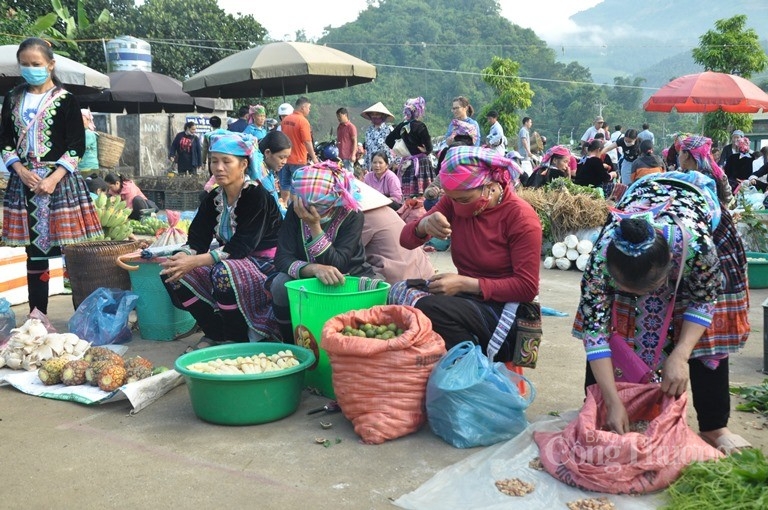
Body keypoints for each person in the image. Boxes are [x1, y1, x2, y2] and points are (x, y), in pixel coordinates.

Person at [573, 170, 751, 454]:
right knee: (617, 320)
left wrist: (681, 354)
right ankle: (602, 406)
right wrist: (613, 400)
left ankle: (714, 425)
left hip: (698, 214)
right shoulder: (600, 259)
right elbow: (595, 332)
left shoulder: (698, 246)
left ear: (671, 261)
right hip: (643, 201)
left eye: (651, 287)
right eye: (627, 288)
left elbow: (704, 300)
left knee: (708, 333)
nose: (643, 296)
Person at [388, 146, 541, 360]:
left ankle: (472, 365)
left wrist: (464, 284)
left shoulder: (521, 218)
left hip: (508, 309)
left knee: (428, 308)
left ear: (490, 187)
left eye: (464, 200)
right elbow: (405, 240)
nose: (457, 208)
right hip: (470, 299)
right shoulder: (454, 201)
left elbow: (526, 287)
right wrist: (423, 225)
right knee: (399, 291)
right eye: (452, 199)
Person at [0, 37, 103, 314]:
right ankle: (38, 316)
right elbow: (5, 141)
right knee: (34, 256)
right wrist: (20, 170)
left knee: (73, 252)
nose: (30, 68)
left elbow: (76, 145)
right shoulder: (13, 98)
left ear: (50, 64)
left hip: (61, 184)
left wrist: (53, 178)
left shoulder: (67, 100)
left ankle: (83, 316)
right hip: (24, 185)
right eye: (25, 64)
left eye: (36, 64)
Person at [161, 132, 284, 350]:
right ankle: (214, 331)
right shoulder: (213, 198)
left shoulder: (257, 196)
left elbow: (242, 246)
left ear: (243, 164)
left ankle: (236, 338)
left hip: (266, 266)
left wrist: (195, 261)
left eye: (226, 162)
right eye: (214, 161)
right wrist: (183, 256)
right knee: (172, 270)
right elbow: (198, 238)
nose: (218, 168)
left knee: (222, 272)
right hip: (231, 260)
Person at [271, 162, 374, 342]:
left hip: (348, 275)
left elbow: (338, 263)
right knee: (279, 284)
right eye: (305, 202)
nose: (309, 208)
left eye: (317, 205)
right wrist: (313, 269)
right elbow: (281, 258)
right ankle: (290, 342)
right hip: (308, 277)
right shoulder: (296, 211)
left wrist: (314, 226)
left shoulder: (352, 215)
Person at [356, 180, 434, 283]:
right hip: (422, 270)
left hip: (401, 278)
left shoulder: (363, 218)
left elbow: (347, 252)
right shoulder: (386, 210)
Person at [385, 96, 434, 197]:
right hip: (421, 163)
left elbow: (388, 140)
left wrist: (402, 150)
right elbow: (429, 148)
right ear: (418, 111)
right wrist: (424, 150)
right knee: (423, 194)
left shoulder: (401, 126)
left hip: (406, 163)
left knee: (407, 194)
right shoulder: (420, 126)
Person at [280, 96, 318, 202]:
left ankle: (284, 207)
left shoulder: (285, 120)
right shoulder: (303, 121)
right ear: (303, 107)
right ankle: (294, 209)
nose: (309, 110)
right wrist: (314, 157)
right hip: (299, 160)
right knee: (296, 188)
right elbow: (307, 141)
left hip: (285, 159)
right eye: (308, 108)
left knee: (284, 185)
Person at [678, 135, 732, 204]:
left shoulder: (698, 179)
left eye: (679, 153)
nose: (679, 157)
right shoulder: (716, 172)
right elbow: (728, 199)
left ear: (686, 155)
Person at [257, 130, 292, 216]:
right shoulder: (262, 178)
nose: (284, 162)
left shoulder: (268, 172)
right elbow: (274, 213)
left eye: (287, 157)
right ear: (267, 153)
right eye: (281, 157)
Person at [361, 101, 394, 171]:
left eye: (377, 114)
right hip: (371, 167)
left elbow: (396, 147)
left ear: (383, 116)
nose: (374, 116)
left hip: (385, 166)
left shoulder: (389, 130)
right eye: (372, 114)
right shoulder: (368, 131)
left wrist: (396, 163)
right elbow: (367, 150)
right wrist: (364, 167)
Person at [336, 107, 358, 173]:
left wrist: (353, 154)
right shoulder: (339, 127)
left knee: (348, 174)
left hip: (348, 157)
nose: (338, 118)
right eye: (337, 117)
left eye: (340, 116)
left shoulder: (351, 127)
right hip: (340, 157)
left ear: (345, 115)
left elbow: (355, 142)